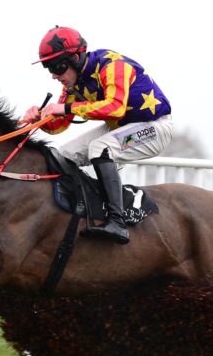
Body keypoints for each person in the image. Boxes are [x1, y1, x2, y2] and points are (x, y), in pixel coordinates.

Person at [23, 26, 173, 244]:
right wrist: (40, 120)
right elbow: (60, 125)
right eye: (49, 68)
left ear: (76, 58)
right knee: (64, 155)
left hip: (153, 128)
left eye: (58, 66)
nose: (55, 75)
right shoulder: (73, 85)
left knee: (100, 148)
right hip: (121, 128)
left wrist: (64, 108)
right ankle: (84, 209)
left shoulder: (113, 66)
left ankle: (118, 222)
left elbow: (115, 108)